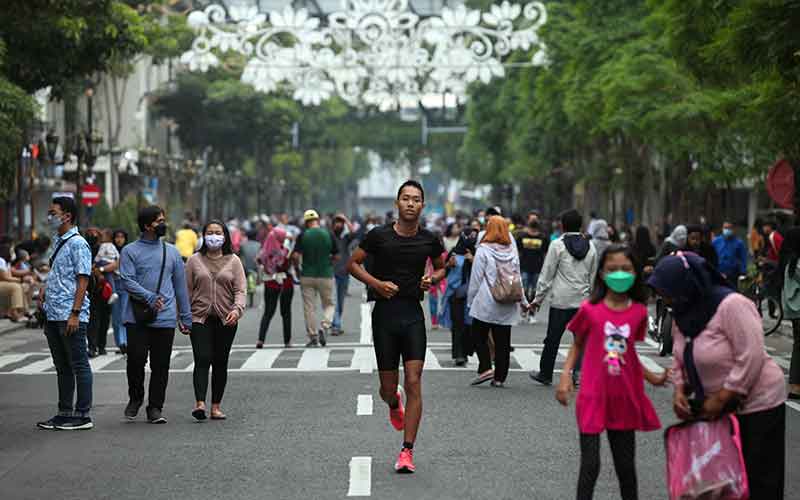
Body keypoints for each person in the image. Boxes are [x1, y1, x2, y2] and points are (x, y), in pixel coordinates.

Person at [649, 252, 786, 499]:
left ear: (687, 284)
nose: (665, 298)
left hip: (757, 405)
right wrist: (680, 389)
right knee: (722, 481)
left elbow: (751, 355)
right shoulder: (683, 311)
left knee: (758, 482)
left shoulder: (732, 305)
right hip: (718, 409)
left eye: (668, 291)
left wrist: (723, 396)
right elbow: (681, 355)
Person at [347, 180, 446, 474]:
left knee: (414, 380)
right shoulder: (378, 236)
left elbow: (441, 266)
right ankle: (394, 402)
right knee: (388, 388)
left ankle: (407, 451)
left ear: (422, 205)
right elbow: (353, 264)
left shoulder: (430, 239)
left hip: (413, 315)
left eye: (416, 199)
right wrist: (378, 284)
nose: (411, 203)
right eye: (406, 198)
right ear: (397, 203)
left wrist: (433, 278)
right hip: (385, 316)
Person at [557, 244, 667, 500]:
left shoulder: (638, 312)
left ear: (635, 273)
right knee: (590, 466)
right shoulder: (589, 310)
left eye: (626, 269)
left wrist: (653, 376)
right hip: (592, 396)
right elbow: (577, 345)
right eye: (612, 269)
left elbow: (628, 354)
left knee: (626, 468)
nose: (619, 274)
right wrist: (565, 377)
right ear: (602, 274)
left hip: (624, 398)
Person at [121, 206, 192, 424]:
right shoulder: (130, 251)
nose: (163, 224)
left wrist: (186, 317)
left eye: (163, 219)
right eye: (158, 221)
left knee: (161, 365)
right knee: (135, 359)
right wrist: (149, 297)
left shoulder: (171, 252)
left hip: (166, 317)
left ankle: (155, 407)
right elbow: (127, 280)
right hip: (137, 317)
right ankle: (136, 398)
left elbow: (180, 286)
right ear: (146, 226)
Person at [36, 196, 94, 430]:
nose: (49, 216)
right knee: (62, 366)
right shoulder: (59, 241)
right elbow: (60, 274)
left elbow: (83, 279)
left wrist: (75, 313)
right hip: (53, 313)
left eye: (53, 212)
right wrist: (44, 288)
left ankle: (82, 415)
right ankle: (64, 412)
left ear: (67, 216)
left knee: (79, 364)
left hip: (70, 314)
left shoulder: (78, 243)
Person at [185, 220, 246, 421]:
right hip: (199, 318)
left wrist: (237, 310)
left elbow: (240, 290)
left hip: (226, 319)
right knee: (202, 358)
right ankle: (200, 403)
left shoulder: (234, 261)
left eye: (218, 232)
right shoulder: (194, 260)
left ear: (225, 236)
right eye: (209, 232)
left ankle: (216, 406)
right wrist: (183, 316)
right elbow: (186, 290)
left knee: (220, 362)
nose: (214, 236)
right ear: (203, 236)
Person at [529, 209, 598, 386]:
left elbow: (547, 274)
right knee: (581, 340)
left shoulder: (557, 245)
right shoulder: (590, 246)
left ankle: (545, 373)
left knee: (552, 339)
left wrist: (537, 299)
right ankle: (579, 375)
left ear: (562, 225)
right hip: (582, 301)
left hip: (561, 300)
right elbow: (593, 275)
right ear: (581, 225)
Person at [468, 216, 529, 387]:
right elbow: (517, 278)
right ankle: (500, 378)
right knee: (503, 341)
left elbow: (476, 278)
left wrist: (470, 300)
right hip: (507, 301)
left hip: (486, 301)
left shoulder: (483, 250)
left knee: (478, 335)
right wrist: (523, 300)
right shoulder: (512, 250)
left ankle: (486, 366)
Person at [293, 209, 337, 347]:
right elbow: (337, 255)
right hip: (325, 274)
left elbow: (295, 256)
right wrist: (329, 264)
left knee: (309, 307)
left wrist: (297, 269)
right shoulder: (328, 234)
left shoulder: (302, 235)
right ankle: (325, 325)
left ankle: (313, 336)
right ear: (317, 220)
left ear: (306, 222)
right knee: (329, 304)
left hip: (307, 275)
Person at [441, 228, 478, 366]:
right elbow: (443, 271)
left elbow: (486, 271)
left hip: (474, 295)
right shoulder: (454, 253)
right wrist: (448, 265)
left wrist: (474, 260)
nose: (471, 239)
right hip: (455, 294)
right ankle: (459, 355)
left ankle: (467, 351)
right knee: (457, 325)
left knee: (470, 325)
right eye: (469, 236)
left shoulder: (478, 252)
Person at [257, 227, 294, 348]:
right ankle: (287, 341)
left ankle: (260, 340)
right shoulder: (284, 251)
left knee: (268, 312)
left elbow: (260, 261)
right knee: (286, 313)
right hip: (285, 283)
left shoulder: (264, 252)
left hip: (270, 283)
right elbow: (288, 264)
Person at [87, 228, 118, 357]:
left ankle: (101, 346)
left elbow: (116, 263)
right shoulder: (84, 248)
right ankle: (92, 346)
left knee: (105, 318)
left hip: (105, 289)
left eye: (95, 235)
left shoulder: (105, 248)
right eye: (89, 235)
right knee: (93, 319)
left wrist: (100, 269)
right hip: (93, 289)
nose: (92, 237)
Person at [779, 227, 800, 401]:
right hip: (799, 310)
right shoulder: (797, 264)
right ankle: (795, 385)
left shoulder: (789, 263)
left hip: (794, 311)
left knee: (798, 346)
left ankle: (795, 385)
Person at [515, 219, 548, 323]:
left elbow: (545, 253)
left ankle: (531, 312)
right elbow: (518, 252)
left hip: (537, 268)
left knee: (534, 291)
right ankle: (525, 310)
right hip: (525, 267)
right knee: (524, 291)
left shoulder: (543, 238)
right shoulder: (522, 237)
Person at [331, 214, 357, 336]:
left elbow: (354, 233)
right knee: (335, 300)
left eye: (341, 223)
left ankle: (335, 322)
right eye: (337, 222)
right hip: (332, 274)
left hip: (344, 273)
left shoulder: (345, 239)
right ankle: (336, 325)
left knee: (340, 302)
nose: (339, 225)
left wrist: (346, 219)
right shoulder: (329, 237)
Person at [712, 221, 747, 288]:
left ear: (733, 229)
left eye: (729, 228)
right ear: (722, 228)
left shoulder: (739, 243)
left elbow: (743, 258)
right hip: (718, 272)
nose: (727, 230)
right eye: (725, 228)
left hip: (733, 274)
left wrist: (743, 272)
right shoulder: (716, 241)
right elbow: (711, 256)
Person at [111, 230, 129, 354]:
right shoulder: (109, 250)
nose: (119, 239)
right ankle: (119, 344)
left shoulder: (128, 251)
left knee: (124, 315)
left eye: (122, 237)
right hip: (113, 285)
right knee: (116, 317)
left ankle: (124, 342)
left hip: (126, 285)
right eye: (117, 237)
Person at [0, 247, 30, 322]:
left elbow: (9, 277)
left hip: (4, 282)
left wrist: (19, 280)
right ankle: (15, 314)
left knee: (22, 286)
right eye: (11, 251)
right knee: (16, 287)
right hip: (2, 282)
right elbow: (4, 277)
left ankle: (24, 312)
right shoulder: (1, 261)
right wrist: (20, 280)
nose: (13, 253)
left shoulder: (8, 263)